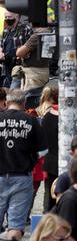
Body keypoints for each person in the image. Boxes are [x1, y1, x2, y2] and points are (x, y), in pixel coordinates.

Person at [0, 88, 47, 241]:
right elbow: (44, 150)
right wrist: (32, 160)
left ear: (6, 102)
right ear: (24, 103)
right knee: (16, 225)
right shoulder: (31, 120)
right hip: (22, 176)